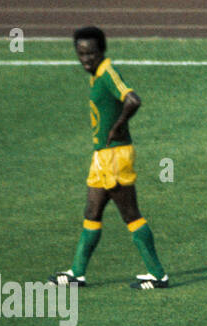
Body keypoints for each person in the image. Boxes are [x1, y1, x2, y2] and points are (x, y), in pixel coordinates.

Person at [50, 26, 169, 290]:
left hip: (115, 156)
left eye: (91, 54)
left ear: (101, 52)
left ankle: (158, 275)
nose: (85, 59)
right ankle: (77, 273)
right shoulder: (96, 75)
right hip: (102, 156)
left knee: (130, 214)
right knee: (91, 211)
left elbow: (133, 100)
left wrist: (118, 125)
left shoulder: (107, 73)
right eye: (81, 54)